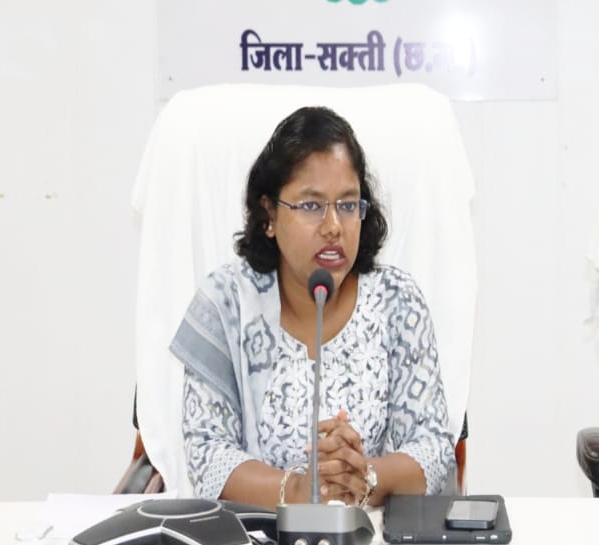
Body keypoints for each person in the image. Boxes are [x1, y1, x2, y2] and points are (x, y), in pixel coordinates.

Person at [171, 106, 454, 508]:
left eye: (348, 205)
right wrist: (298, 490)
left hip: (371, 537)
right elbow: (207, 454)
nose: (334, 226)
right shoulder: (227, 302)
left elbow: (434, 447)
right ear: (269, 214)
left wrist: (363, 476)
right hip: (256, 539)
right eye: (311, 206)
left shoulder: (397, 300)